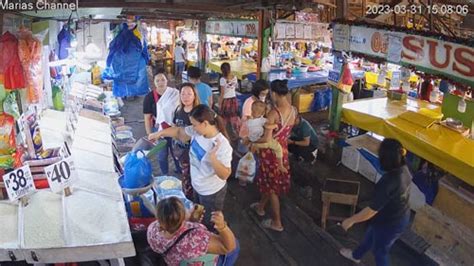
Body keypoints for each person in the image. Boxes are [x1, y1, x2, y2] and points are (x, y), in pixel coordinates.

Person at [149, 105, 232, 229]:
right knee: (198, 215)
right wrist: (159, 133)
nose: (192, 127)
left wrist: (213, 157)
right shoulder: (197, 131)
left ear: (204, 124)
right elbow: (178, 131)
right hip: (197, 186)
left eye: (194, 124)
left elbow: (225, 174)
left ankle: (209, 240)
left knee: (210, 222)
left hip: (211, 193)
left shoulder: (222, 145)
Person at [339, 139, 411, 266]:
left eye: (380, 156)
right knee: (370, 236)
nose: (378, 158)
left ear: (386, 160)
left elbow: (371, 210)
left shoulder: (389, 181)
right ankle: (356, 256)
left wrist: (351, 220)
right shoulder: (404, 167)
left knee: (380, 251)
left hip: (391, 223)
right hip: (395, 214)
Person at [249, 80, 296, 232]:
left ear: (274, 93)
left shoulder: (273, 113)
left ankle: (277, 222)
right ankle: (261, 207)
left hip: (270, 153)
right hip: (282, 150)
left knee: (273, 189)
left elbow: (267, 139)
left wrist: (252, 141)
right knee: (271, 183)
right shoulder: (294, 110)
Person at [147, 197, 239, 266]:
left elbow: (176, 231)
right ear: (182, 217)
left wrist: (190, 222)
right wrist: (222, 226)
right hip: (199, 262)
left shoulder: (152, 230)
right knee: (235, 245)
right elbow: (228, 247)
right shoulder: (197, 237)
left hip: (173, 262)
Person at [143, 71, 181, 175]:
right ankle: (165, 174)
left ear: (167, 80)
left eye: (163, 79)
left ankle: (180, 170)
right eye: (158, 80)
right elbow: (147, 118)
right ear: (154, 82)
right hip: (159, 129)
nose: (161, 82)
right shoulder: (149, 97)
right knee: (162, 154)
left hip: (174, 128)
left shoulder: (175, 93)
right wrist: (150, 134)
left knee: (177, 152)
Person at [172, 83, 201, 199]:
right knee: (186, 176)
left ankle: (191, 200)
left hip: (195, 153)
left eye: (189, 94)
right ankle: (188, 199)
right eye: (183, 93)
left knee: (194, 177)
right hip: (181, 151)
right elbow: (175, 127)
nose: (186, 96)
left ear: (195, 96)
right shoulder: (178, 110)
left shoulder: (198, 113)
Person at [242, 101, 286, 174]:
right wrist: (275, 125)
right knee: (278, 148)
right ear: (263, 113)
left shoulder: (248, 122)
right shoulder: (263, 120)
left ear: (251, 111)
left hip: (254, 142)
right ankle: (280, 165)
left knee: (250, 156)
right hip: (263, 141)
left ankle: (246, 171)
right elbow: (267, 126)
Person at [219, 62, 241, 140]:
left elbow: (222, 93)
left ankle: (224, 135)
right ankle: (237, 134)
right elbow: (236, 87)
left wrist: (220, 103)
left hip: (226, 100)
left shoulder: (222, 79)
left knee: (224, 118)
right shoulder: (235, 77)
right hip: (233, 99)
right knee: (234, 117)